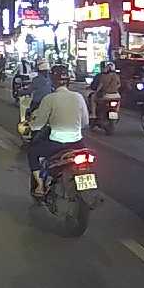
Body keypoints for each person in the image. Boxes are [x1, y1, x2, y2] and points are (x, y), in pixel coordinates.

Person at [27, 65, 90, 197]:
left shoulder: (49, 99)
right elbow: (85, 122)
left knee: (33, 153)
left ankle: (40, 186)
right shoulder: (78, 97)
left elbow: (38, 124)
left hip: (57, 143)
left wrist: (31, 126)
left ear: (52, 80)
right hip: (78, 143)